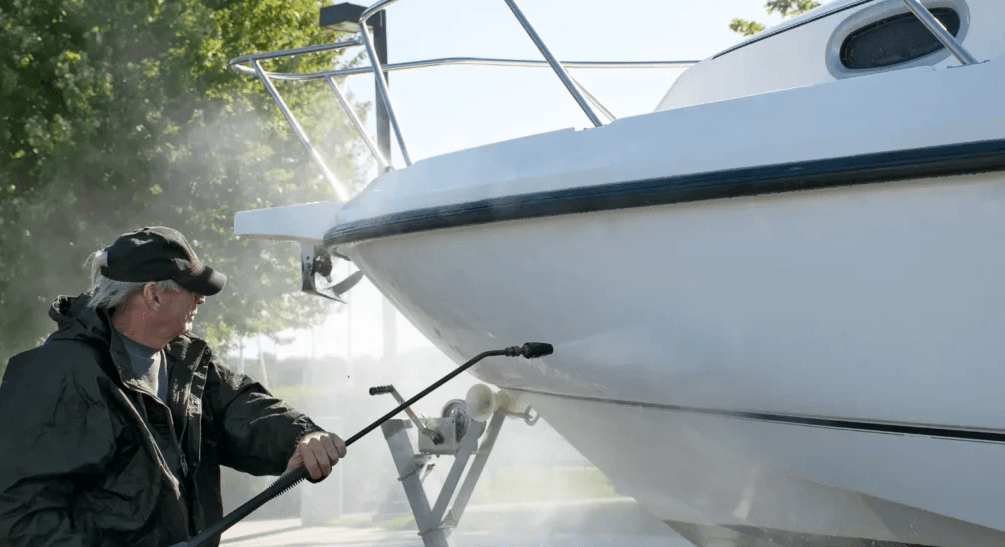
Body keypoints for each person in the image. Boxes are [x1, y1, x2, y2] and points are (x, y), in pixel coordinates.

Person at [0, 226, 346, 546]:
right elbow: (19, 515)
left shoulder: (187, 363)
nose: (202, 300)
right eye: (191, 289)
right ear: (152, 295)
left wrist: (301, 438)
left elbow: (242, 408)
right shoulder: (51, 374)